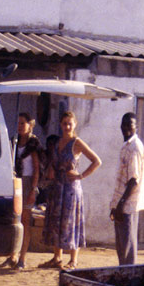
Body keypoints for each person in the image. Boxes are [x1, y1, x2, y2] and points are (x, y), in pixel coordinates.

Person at [39, 111, 101, 270]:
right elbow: (52, 161)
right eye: (64, 123)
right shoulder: (57, 142)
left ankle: (73, 260)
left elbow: (96, 161)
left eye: (70, 123)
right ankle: (57, 258)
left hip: (71, 189)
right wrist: (51, 169)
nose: (67, 126)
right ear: (60, 124)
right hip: (56, 188)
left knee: (71, 222)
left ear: (75, 124)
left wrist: (81, 175)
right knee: (55, 222)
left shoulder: (77, 143)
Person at [0, 113, 41, 270]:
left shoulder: (33, 144)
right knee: (13, 220)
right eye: (18, 123)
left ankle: (22, 257)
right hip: (16, 182)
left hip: (28, 182)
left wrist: (33, 190)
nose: (20, 126)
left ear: (30, 124)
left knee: (25, 221)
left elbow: (36, 169)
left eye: (23, 123)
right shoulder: (14, 142)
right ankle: (12, 255)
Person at [109, 113, 144, 265]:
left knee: (127, 247)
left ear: (136, 127)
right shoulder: (126, 146)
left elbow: (134, 180)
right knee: (121, 246)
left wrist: (121, 204)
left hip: (128, 206)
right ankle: (123, 274)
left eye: (129, 125)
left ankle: (129, 277)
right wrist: (115, 205)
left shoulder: (135, 147)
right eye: (123, 124)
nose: (125, 128)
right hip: (121, 204)